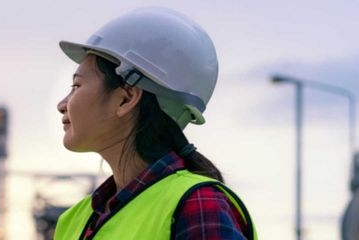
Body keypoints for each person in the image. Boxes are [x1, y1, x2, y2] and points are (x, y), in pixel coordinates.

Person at [53, 7, 257, 240]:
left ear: (126, 98)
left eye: (77, 86)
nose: (62, 104)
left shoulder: (197, 205)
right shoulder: (73, 221)